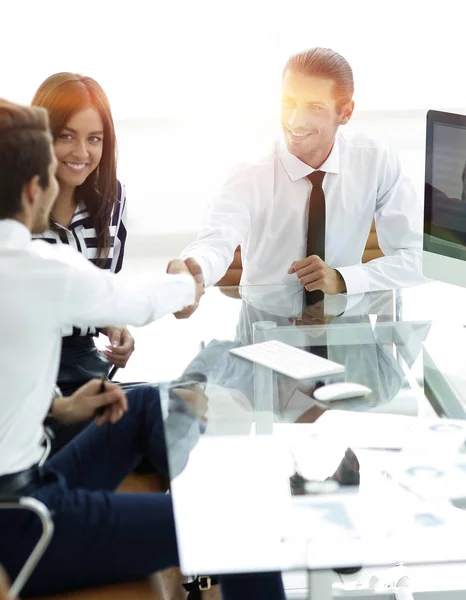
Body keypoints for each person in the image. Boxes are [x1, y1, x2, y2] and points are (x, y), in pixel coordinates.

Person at [0, 99, 285, 599]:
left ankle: (196, 538)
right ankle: (211, 530)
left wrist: (62, 406)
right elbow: (137, 301)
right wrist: (190, 284)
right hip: (27, 525)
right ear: (32, 189)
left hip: (31, 478)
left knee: (145, 404)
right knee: (246, 524)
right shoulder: (32, 265)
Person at [174, 47, 425, 317]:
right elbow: (216, 241)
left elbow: (424, 259)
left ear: (345, 113)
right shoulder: (250, 171)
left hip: (347, 328)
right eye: (288, 102)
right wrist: (194, 270)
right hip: (265, 331)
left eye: (314, 107)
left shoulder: (374, 159)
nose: (295, 121)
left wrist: (343, 279)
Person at [30, 73, 139, 453]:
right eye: (67, 136)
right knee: (133, 428)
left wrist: (113, 323)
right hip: (25, 375)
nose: (81, 152)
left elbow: (98, 291)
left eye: (94, 139)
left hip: (84, 364)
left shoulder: (112, 198)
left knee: (176, 406)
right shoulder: (13, 204)